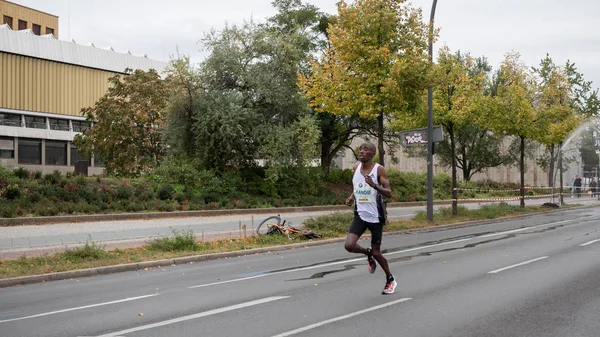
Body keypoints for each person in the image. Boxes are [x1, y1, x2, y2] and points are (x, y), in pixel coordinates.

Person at [345, 142, 396, 295]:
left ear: (372, 154)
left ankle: (390, 279)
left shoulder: (378, 169)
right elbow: (358, 186)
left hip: (376, 216)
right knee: (349, 245)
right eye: (360, 149)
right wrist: (352, 197)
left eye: (365, 149)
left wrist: (374, 185)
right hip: (360, 214)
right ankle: (367, 253)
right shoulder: (355, 168)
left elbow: (389, 193)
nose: (361, 151)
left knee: (377, 252)